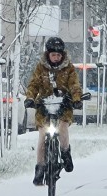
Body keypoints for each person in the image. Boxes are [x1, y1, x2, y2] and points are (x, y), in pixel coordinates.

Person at [24, 37, 83, 186]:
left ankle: (65, 152)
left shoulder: (69, 68)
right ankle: (40, 166)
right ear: (48, 55)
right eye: (53, 55)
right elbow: (34, 84)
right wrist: (30, 98)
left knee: (63, 128)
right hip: (44, 105)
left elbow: (74, 85)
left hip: (63, 104)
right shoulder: (40, 67)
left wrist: (76, 99)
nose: (56, 58)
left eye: (58, 55)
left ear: (62, 55)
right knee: (43, 133)